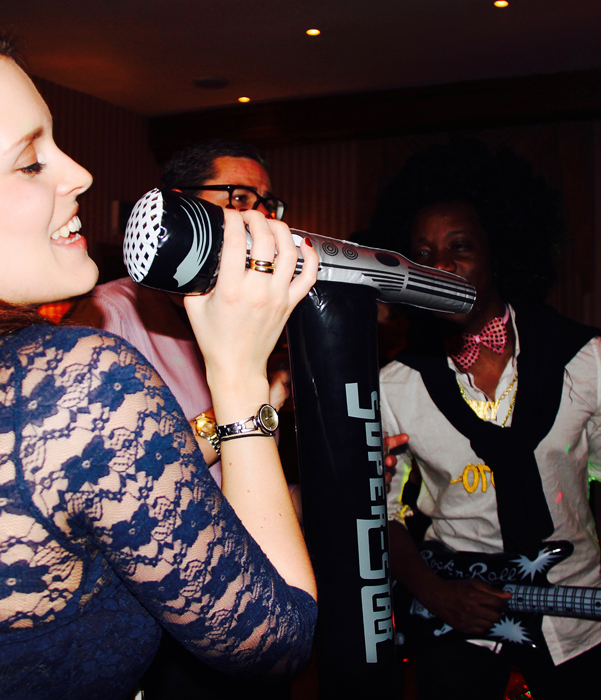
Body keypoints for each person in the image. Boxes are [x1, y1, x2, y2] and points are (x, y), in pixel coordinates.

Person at [0, 36, 318, 700]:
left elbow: (100, 473)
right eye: (30, 162)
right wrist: (239, 380)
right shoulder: (83, 352)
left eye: (266, 202)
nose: (80, 173)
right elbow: (277, 639)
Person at [373, 139, 601, 699]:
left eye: (461, 246)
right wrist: (434, 591)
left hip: (577, 619)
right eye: (423, 254)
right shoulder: (395, 385)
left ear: (498, 253)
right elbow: (381, 513)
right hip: (456, 616)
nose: (441, 265)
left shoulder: (583, 359)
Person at [69, 140, 289, 483]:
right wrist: (255, 401)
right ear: (181, 206)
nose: (261, 217)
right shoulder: (108, 312)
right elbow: (119, 475)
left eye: (268, 204)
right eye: (241, 198)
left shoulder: (249, 314)